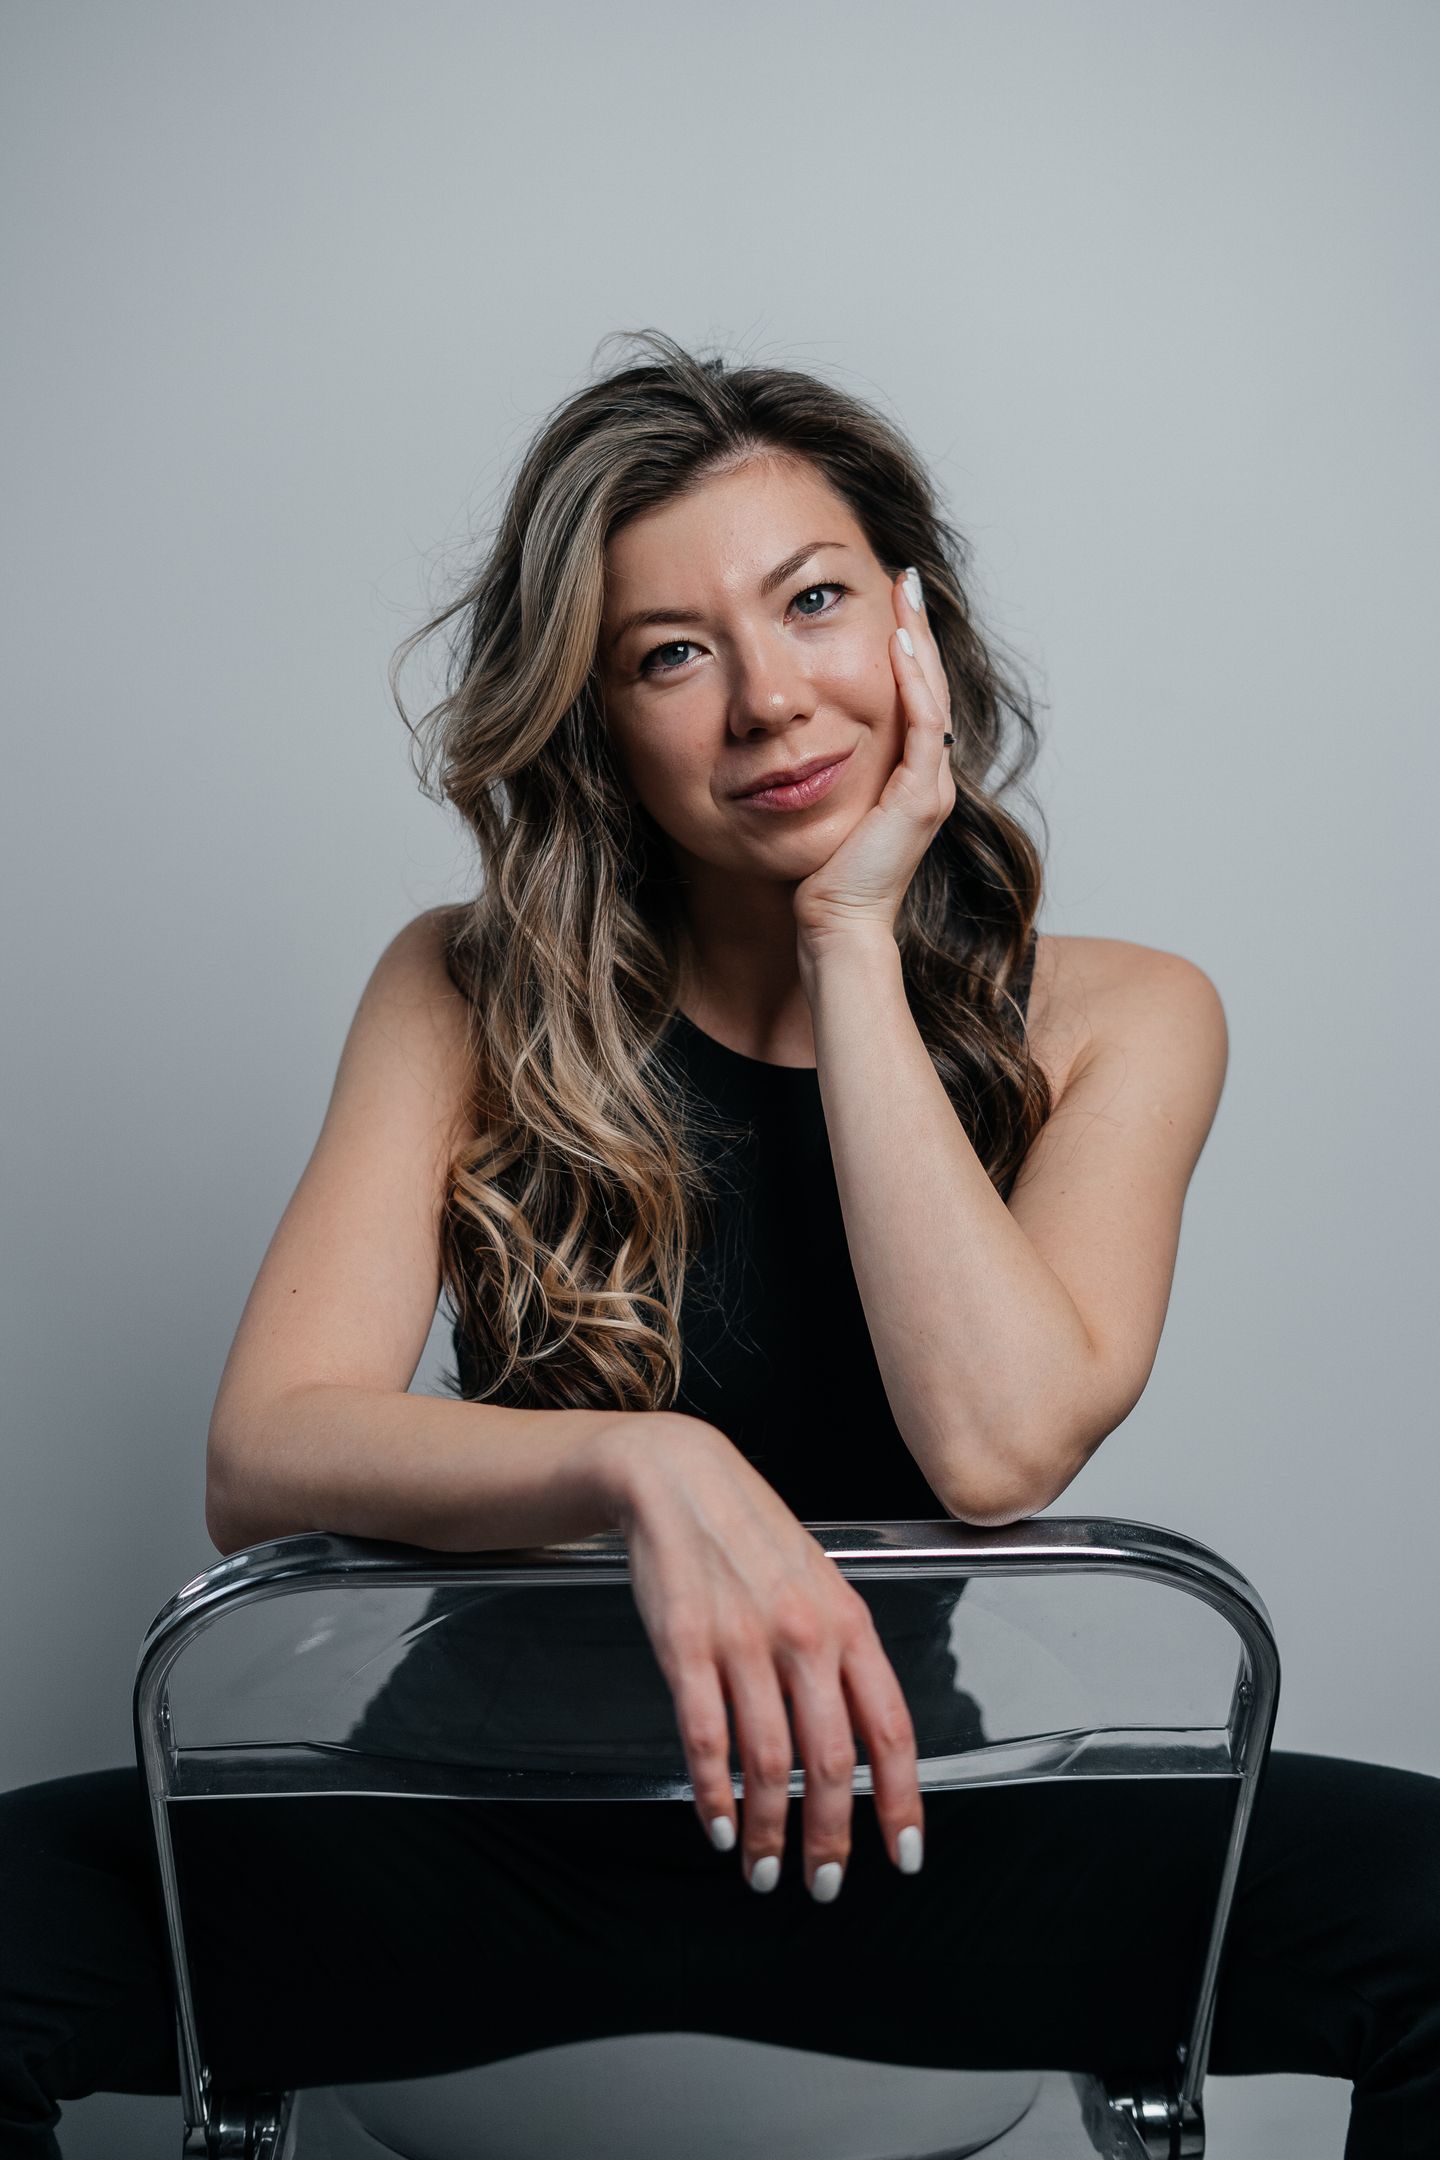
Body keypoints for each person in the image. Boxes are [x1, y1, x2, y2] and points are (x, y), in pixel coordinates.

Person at [2, 329, 1436, 2159]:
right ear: (597, 720)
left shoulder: (1124, 1016)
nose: (767, 699)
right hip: (479, 1827)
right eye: (671, 654)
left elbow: (997, 1447)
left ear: (916, 627)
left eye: (813, 601)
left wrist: (850, 940)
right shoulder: (468, 986)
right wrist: (645, 1462)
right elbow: (264, 1451)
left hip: (917, 1829)